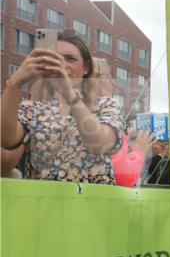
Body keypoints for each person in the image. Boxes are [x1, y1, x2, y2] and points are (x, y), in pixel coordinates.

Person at [1, 30, 122, 183]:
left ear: (86, 67)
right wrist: (14, 83)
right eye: (55, 59)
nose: (61, 65)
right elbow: (5, 139)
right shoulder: (34, 109)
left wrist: (69, 94)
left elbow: (101, 144)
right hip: (44, 203)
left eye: (70, 59)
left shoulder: (107, 105)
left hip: (92, 203)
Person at [91, 58, 153, 187]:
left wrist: (125, 152)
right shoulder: (107, 108)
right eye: (108, 77)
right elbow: (124, 179)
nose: (112, 82)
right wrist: (139, 151)